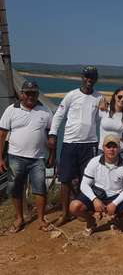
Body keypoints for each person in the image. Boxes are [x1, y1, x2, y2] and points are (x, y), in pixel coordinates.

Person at [48, 66, 103, 226]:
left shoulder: (99, 98)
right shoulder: (71, 95)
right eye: (87, 76)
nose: (89, 79)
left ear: (95, 79)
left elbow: (103, 119)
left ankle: (80, 210)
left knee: (85, 179)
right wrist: (52, 134)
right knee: (65, 180)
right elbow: (59, 115)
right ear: (82, 77)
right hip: (70, 143)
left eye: (92, 77)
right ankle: (65, 214)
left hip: (90, 144)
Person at [0, 81, 55, 232]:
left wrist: (52, 155)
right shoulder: (11, 110)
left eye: (34, 93)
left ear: (37, 94)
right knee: (15, 188)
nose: (31, 96)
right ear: (22, 94)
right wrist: (0, 158)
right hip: (15, 157)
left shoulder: (45, 111)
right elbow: (2, 134)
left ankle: (41, 219)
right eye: (28, 93)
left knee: (40, 189)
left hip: (38, 158)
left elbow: (51, 136)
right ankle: (19, 218)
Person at [69, 134, 123, 235]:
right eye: (108, 146)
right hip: (98, 194)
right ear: (103, 148)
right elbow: (84, 184)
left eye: (114, 147)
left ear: (119, 148)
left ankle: (116, 220)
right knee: (74, 206)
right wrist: (94, 199)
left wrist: (115, 203)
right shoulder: (94, 162)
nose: (111, 150)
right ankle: (91, 221)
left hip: (116, 196)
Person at [98, 87, 123, 153]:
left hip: (118, 151)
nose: (122, 99)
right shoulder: (104, 109)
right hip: (102, 149)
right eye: (120, 97)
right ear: (115, 96)